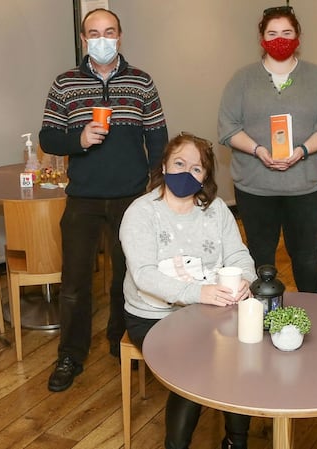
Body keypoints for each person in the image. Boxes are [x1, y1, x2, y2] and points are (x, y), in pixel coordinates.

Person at [39, 8, 168, 392]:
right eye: (94, 32)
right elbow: (47, 138)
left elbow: (159, 140)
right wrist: (77, 139)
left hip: (133, 198)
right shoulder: (64, 84)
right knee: (75, 282)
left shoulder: (142, 82)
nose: (102, 38)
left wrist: (158, 187)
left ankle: (119, 341)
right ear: (83, 39)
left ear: (120, 36)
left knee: (127, 277)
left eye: (109, 31)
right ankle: (70, 354)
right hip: (82, 198)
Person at [121, 133, 257, 449]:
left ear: (206, 176)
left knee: (246, 351)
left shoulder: (216, 209)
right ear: (165, 166)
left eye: (196, 169)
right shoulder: (141, 212)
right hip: (153, 315)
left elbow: (237, 254)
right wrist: (200, 292)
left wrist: (244, 280)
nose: (186, 173)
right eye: (179, 163)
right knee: (197, 364)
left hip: (210, 310)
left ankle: (236, 441)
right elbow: (144, 276)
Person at [218, 5, 317, 293]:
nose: (279, 39)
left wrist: (302, 151)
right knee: (260, 255)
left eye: (287, 32)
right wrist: (259, 150)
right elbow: (228, 128)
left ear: (298, 36)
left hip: (305, 187)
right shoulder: (242, 79)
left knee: (306, 255)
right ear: (261, 38)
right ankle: (261, 317)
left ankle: (312, 311)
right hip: (255, 187)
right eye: (272, 33)